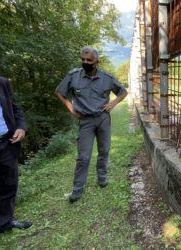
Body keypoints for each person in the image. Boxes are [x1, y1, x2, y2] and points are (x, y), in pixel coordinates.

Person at [55, 47, 127, 203]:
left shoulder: (106, 78)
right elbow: (59, 92)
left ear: (96, 61)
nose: (85, 62)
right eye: (83, 59)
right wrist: (72, 109)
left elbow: (123, 91)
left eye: (89, 60)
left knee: (104, 150)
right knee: (83, 156)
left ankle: (102, 178)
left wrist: (112, 104)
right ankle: (77, 189)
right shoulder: (73, 76)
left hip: (103, 119)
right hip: (85, 120)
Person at [0, 38, 32, 250]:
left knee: (8, 184)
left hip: (6, 143)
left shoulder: (0, 82)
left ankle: (5, 221)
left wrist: (21, 127)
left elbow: (15, 109)